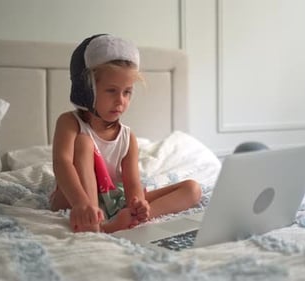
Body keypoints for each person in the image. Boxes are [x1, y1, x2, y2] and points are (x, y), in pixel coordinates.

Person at [49, 34, 202, 233]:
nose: (120, 100)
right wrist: (81, 203)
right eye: (111, 90)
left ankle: (135, 219)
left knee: (192, 189)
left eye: (127, 92)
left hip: (111, 198)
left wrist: (137, 204)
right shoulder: (70, 122)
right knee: (84, 143)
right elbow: (62, 163)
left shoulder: (127, 137)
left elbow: (132, 183)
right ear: (87, 90)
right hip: (73, 197)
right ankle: (98, 224)